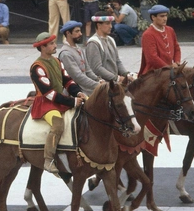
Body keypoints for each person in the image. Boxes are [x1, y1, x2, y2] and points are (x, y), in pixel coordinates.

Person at [30, 31, 86, 176]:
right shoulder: (37, 67)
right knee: (58, 124)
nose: (55, 46)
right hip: (45, 104)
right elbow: (49, 93)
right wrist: (73, 101)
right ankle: (48, 160)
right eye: (52, 44)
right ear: (43, 47)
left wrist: (78, 93)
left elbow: (68, 80)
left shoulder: (57, 61)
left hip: (59, 100)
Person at [86, 12, 135, 83]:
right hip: (103, 85)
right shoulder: (93, 43)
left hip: (115, 81)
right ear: (99, 25)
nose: (111, 26)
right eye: (107, 24)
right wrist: (117, 78)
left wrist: (126, 74)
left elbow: (117, 61)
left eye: (111, 23)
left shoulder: (111, 40)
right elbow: (97, 68)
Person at [58, 20, 101, 97]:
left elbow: (87, 70)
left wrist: (99, 80)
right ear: (68, 33)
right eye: (77, 31)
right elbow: (77, 77)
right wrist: (97, 85)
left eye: (80, 31)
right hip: (75, 93)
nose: (80, 34)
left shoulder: (79, 49)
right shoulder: (65, 53)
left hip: (86, 88)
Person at [138, 5, 182, 77]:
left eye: (166, 16)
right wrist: (169, 67)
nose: (165, 19)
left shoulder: (170, 30)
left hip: (169, 70)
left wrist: (177, 62)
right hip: (154, 73)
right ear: (153, 17)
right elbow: (152, 58)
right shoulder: (148, 34)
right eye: (162, 16)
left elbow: (176, 48)